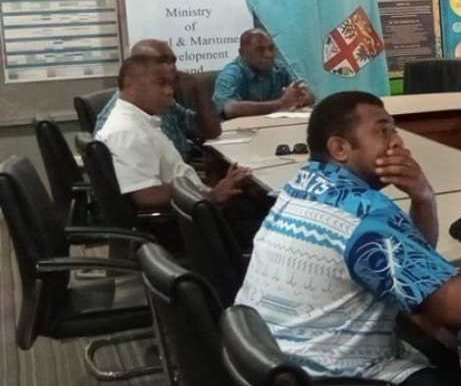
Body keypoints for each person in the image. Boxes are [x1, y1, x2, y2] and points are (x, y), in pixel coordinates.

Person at [232, 91, 461, 386]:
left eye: (395, 130)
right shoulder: (366, 214)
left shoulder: (301, 187)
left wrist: (423, 197)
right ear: (339, 148)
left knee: (452, 360)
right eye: (383, 131)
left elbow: (410, 261)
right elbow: (459, 307)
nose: (398, 143)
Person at [94, 55, 260, 238]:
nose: (169, 91)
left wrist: (213, 189)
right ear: (130, 84)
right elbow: (148, 195)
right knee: (263, 212)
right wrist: (211, 196)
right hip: (185, 221)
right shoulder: (127, 131)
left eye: (170, 84)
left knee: (254, 197)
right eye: (160, 83)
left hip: (193, 205)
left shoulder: (140, 121)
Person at [94, 38, 221, 161]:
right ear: (137, 68)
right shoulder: (118, 122)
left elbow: (212, 131)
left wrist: (196, 87)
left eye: (172, 61)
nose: (171, 67)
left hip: (182, 166)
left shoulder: (161, 101)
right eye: (162, 61)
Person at [213, 29, 314, 119]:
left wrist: (302, 97)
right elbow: (230, 108)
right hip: (241, 130)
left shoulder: (278, 67)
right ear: (242, 53)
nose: (268, 54)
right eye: (260, 50)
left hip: (273, 127)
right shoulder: (232, 73)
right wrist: (281, 103)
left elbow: (308, 96)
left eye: (271, 48)